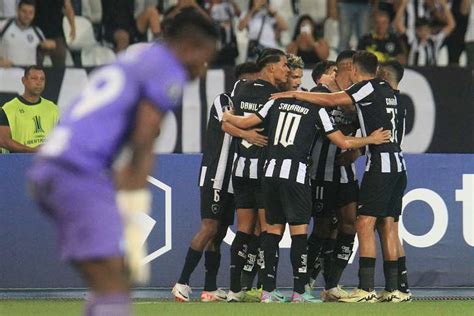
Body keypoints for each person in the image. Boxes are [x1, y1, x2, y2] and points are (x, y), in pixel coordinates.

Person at [28, 10, 218, 315]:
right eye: (206, 55)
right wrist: (131, 220)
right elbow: (142, 143)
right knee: (114, 281)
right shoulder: (168, 68)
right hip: (76, 171)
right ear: (190, 46)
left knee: (109, 282)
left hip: (52, 167)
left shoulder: (137, 56)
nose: (204, 66)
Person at [222, 72, 390, 303]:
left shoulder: (276, 102)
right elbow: (343, 142)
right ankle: (300, 291)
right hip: (296, 176)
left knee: (271, 232)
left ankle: (268, 291)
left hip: (269, 174)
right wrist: (371, 140)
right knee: (298, 233)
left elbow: (245, 122)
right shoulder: (318, 110)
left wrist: (228, 116)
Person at [271, 51, 410, 303]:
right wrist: (360, 147)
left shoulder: (363, 88)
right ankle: (396, 289)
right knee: (383, 224)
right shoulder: (388, 92)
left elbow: (332, 101)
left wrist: (293, 93)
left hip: (377, 166)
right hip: (393, 165)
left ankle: (363, 288)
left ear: (354, 70)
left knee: (362, 224)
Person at [171, 62, 266, 303]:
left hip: (235, 177)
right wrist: (248, 135)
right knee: (210, 227)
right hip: (216, 174)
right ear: (241, 81)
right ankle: (182, 282)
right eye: (251, 82)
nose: (254, 88)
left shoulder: (252, 108)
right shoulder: (224, 100)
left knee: (220, 232)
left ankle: (210, 288)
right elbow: (228, 122)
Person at [226, 48, 288, 302]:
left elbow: (225, 123)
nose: (286, 70)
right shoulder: (276, 97)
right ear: (271, 68)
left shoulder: (240, 88)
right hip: (264, 171)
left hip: (240, 168)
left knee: (243, 230)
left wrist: (244, 134)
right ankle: (268, 290)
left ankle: (233, 291)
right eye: (283, 65)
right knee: (270, 230)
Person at [376, 59, 411, 301]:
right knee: (392, 226)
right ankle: (402, 286)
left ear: (385, 75)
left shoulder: (381, 97)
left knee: (384, 225)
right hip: (399, 164)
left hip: (385, 166)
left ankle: (392, 288)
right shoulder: (401, 102)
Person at [0, 66, 58, 153]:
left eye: (42, 79)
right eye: (34, 78)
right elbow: (3, 140)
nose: (39, 82)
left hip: (46, 163)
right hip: (18, 163)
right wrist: (32, 150)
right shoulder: (8, 109)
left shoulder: (53, 108)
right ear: (24, 80)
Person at [394, 0, 456, 66]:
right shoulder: (412, 40)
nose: (424, 33)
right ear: (417, 31)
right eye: (421, 30)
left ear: (429, 30)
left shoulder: (434, 40)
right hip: (415, 72)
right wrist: (403, 4)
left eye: (426, 30)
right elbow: (397, 25)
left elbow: (451, 25)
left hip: (431, 73)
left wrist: (443, 4)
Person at [0, 0, 56, 67]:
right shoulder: (3, 26)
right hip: (7, 72)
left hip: (28, 74)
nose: (27, 15)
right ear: (17, 11)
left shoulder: (37, 32)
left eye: (31, 12)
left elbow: (45, 50)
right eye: (24, 11)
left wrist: (51, 46)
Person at [34, 0, 76, 67]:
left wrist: (73, 28)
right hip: (37, 34)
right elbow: (29, 6)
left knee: (60, 66)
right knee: (35, 65)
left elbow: (68, 8)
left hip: (57, 33)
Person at [207, 0, 241, 66]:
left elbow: (239, 14)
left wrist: (232, 2)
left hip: (229, 45)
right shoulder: (209, 4)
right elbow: (206, 18)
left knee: (230, 69)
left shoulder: (228, 5)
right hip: (215, 45)